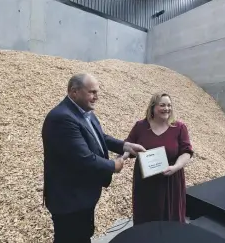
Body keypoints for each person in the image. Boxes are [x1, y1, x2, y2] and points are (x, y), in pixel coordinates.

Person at [42, 73, 145, 243]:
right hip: (69, 200)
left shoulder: (83, 112)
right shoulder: (62, 118)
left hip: (81, 196)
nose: (96, 97)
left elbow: (101, 137)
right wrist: (114, 165)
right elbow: (84, 158)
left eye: (97, 92)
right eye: (92, 92)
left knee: (83, 236)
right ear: (74, 92)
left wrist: (125, 146)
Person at [123, 92, 194, 225]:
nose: (166, 108)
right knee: (146, 216)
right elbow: (128, 145)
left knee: (170, 218)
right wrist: (122, 158)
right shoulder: (140, 126)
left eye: (169, 105)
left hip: (170, 180)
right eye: (162, 105)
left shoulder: (179, 127)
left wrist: (176, 167)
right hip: (145, 182)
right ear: (153, 107)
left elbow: (186, 151)